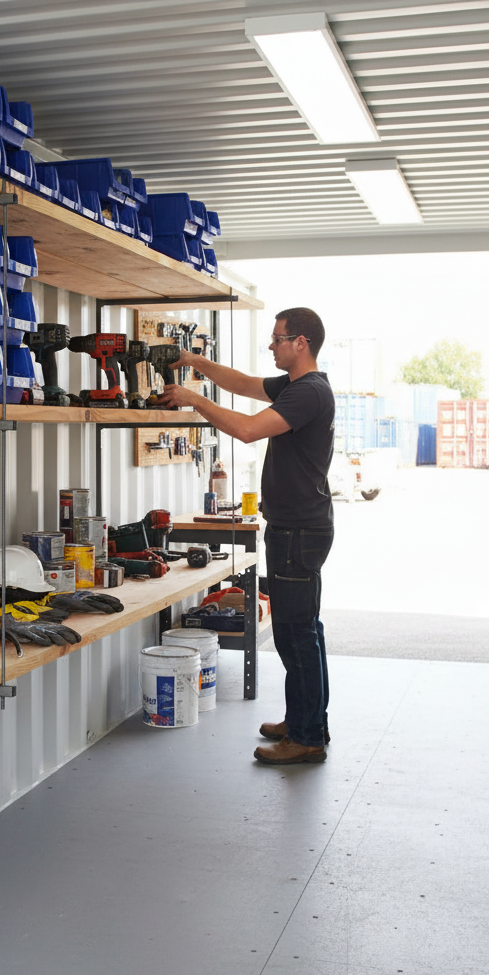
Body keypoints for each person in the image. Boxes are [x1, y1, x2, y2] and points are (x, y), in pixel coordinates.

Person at [155, 307, 334, 765]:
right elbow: (241, 384)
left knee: (296, 635)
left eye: (278, 339)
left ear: (302, 343)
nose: (272, 346)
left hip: (299, 530)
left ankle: (308, 736)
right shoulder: (296, 386)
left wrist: (195, 400)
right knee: (304, 631)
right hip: (295, 527)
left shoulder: (308, 392)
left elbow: (249, 430)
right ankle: (306, 720)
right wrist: (193, 361)